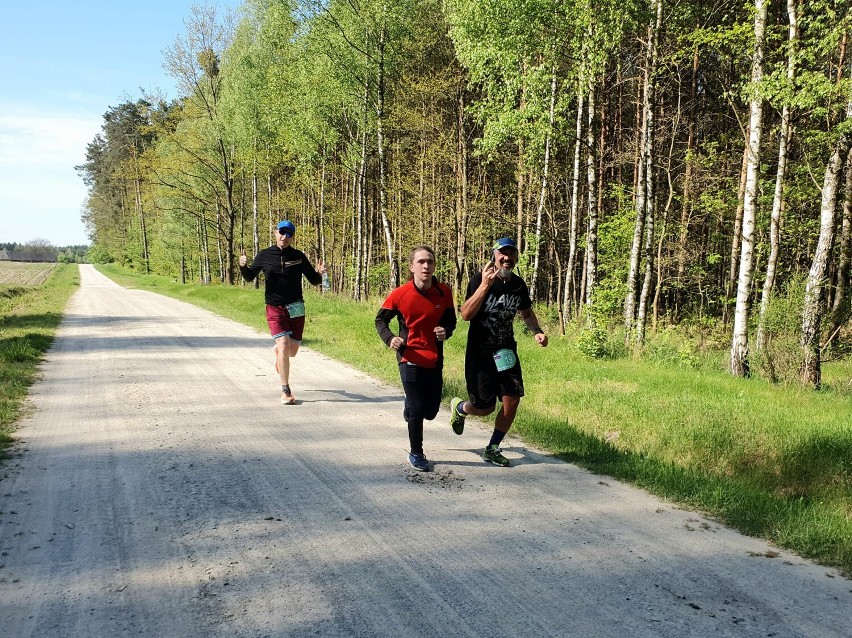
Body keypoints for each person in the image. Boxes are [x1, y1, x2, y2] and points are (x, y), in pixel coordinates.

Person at [449, 237, 547, 466]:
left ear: (516, 257)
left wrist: (537, 331)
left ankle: (493, 447)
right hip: (480, 353)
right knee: (485, 408)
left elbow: (526, 313)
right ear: (494, 255)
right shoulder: (478, 280)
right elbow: (465, 314)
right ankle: (461, 408)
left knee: (512, 398)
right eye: (503, 253)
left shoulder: (518, 285)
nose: (507, 258)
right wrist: (484, 285)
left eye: (511, 254)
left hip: (505, 351)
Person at [376, 246, 457, 472]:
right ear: (412, 267)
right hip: (408, 357)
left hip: (434, 358)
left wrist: (446, 331)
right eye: (421, 262)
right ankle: (417, 452)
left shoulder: (444, 292)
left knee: (431, 411)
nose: (426, 266)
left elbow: (451, 322)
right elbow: (380, 321)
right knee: (419, 408)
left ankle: (411, 407)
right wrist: (390, 338)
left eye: (430, 262)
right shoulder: (400, 294)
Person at [239, 220, 326, 405]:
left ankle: (279, 354)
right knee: (285, 344)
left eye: (289, 234)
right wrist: (243, 266)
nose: (284, 237)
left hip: (296, 307)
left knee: (291, 352)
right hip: (274, 307)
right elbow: (249, 278)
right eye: (281, 232)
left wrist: (320, 274)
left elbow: (314, 281)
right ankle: (285, 391)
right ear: (275, 232)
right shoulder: (264, 255)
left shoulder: (298, 256)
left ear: (292, 236)